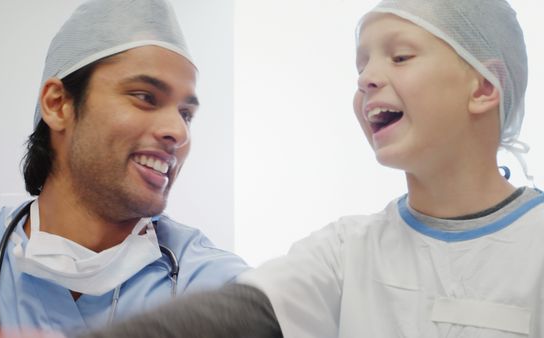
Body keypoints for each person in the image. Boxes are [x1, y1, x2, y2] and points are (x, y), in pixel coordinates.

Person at [73, 0, 544, 337]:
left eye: (400, 56)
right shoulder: (346, 251)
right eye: (361, 64)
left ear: (483, 88)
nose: (366, 78)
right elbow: (244, 315)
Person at [0, 0, 249, 337]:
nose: (179, 131)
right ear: (58, 104)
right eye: (145, 97)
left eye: (186, 114)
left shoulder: (220, 290)